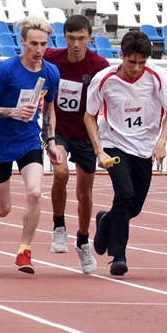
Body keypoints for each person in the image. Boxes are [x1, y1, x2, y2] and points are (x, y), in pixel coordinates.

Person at [84, 30, 167, 277]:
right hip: (114, 144)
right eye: (131, 61)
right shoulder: (104, 80)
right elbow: (89, 115)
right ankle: (119, 256)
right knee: (124, 194)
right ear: (121, 55)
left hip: (145, 148)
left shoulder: (159, 77)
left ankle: (106, 221)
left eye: (141, 62)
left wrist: (161, 142)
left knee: (132, 208)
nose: (136, 67)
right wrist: (99, 150)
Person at [0, 18, 64, 274]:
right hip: (0, 143)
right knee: (4, 210)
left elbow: (49, 110)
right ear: (22, 42)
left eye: (43, 44)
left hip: (29, 140)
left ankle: (24, 251)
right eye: (33, 44)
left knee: (35, 193)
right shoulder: (6, 71)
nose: (38, 49)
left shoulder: (51, 73)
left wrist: (51, 143)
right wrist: (12, 111)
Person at [47, 14, 110, 273]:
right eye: (71, 38)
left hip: (85, 132)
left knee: (85, 195)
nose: (76, 44)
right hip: (59, 130)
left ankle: (83, 240)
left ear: (89, 38)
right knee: (60, 173)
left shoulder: (99, 64)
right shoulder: (52, 58)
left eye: (81, 39)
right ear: (64, 38)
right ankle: (59, 226)